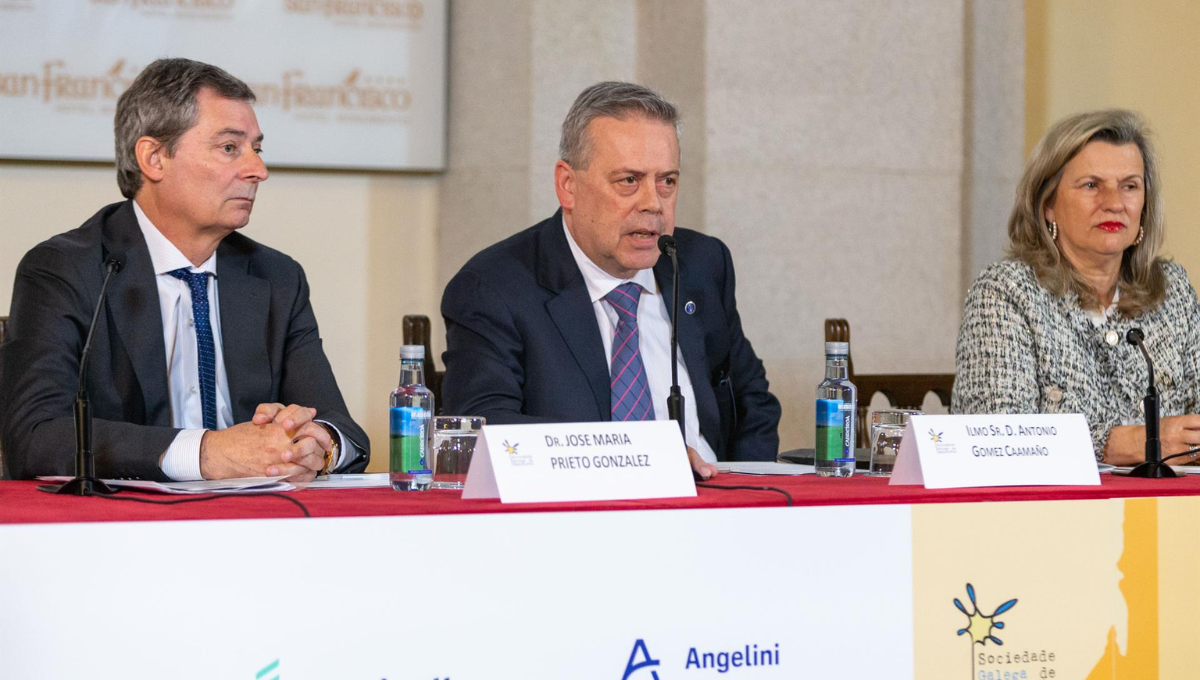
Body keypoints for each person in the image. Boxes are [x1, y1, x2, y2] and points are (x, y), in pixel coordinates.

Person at [0, 58, 368, 481]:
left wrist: (318, 445)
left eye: (257, 149)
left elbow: (340, 427)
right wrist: (206, 453)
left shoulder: (276, 278)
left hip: (260, 512)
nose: (258, 170)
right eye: (229, 148)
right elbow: (36, 436)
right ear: (154, 158)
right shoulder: (66, 269)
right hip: (126, 516)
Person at [440, 81, 781, 478]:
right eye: (629, 181)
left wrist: (744, 489)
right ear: (568, 185)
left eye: (667, 181)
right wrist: (645, 458)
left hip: (714, 500)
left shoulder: (701, 264)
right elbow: (485, 431)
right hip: (576, 508)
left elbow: (753, 402)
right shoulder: (494, 288)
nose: (653, 203)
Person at [952, 109, 1200, 466]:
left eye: (1129, 186)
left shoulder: (1172, 290)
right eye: (1091, 185)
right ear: (1048, 205)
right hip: (1049, 502)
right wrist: (1117, 444)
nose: (1114, 203)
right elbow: (995, 439)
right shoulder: (1006, 293)